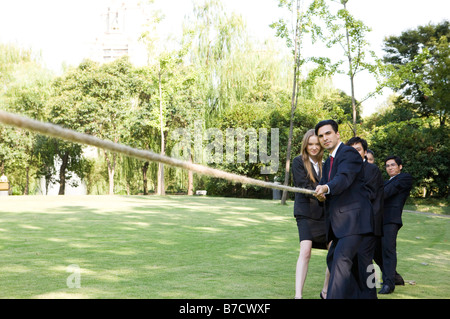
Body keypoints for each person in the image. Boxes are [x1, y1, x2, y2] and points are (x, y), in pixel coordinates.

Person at [314, 120, 373, 299]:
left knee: (340, 261)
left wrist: (326, 188)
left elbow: (343, 179)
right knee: (335, 260)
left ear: (337, 134)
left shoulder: (348, 153)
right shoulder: (327, 163)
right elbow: (328, 187)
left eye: (328, 133)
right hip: (341, 226)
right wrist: (321, 194)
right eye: (321, 136)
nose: (325, 138)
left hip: (354, 222)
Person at [292, 129, 330, 299]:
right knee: (305, 251)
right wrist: (319, 193)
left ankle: (326, 291)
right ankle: (298, 296)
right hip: (306, 212)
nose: (314, 147)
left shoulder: (328, 163)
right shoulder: (298, 161)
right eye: (310, 144)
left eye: (317, 144)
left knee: (335, 251)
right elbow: (302, 184)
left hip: (324, 214)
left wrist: (325, 195)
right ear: (305, 145)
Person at [346, 137, 384, 299]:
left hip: (368, 225)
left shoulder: (371, 169)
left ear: (365, 152)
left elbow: (370, 194)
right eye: (351, 150)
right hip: (350, 227)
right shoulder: (345, 170)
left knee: (366, 263)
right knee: (351, 262)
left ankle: (370, 295)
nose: (355, 153)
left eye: (358, 149)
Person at [376, 156, 413, 294]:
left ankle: (388, 284)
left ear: (400, 166)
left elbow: (386, 193)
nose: (390, 168)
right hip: (378, 220)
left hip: (391, 220)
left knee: (388, 250)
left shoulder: (404, 178)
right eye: (387, 166)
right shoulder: (385, 182)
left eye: (392, 165)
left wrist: (374, 193)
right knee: (375, 250)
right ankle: (395, 277)